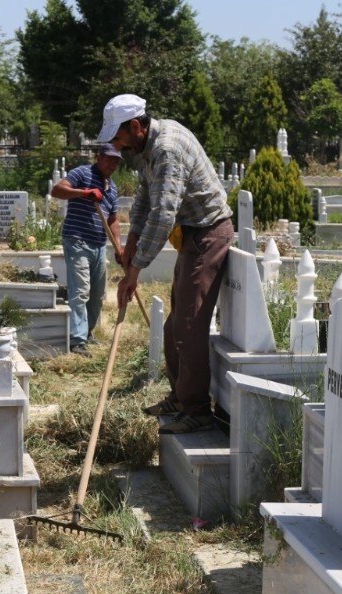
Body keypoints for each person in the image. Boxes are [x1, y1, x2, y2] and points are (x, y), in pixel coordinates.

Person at [98, 93, 233, 434]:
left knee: (189, 326)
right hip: (191, 235)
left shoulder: (167, 149)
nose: (118, 147)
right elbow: (144, 199)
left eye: (119, 138)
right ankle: (180, 397)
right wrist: (130, 246)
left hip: (208, 234)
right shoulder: (147, 147)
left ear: (135, 126)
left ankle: (198, 410)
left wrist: (134, 271)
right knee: (174, 327)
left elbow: (163, 215)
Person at [50, 144, 123, 357]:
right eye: (109, 159)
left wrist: (118, 247)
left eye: (116, 161)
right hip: (78, 240)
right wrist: (84, 193)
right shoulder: (82, 173)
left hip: (99, 245)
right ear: (98, 157)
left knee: (98, 295)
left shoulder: (112, 188)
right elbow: (57, 190)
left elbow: (113, 220)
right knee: (80, 291)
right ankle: (76, 339)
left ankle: (87, 332)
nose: (112, 164)